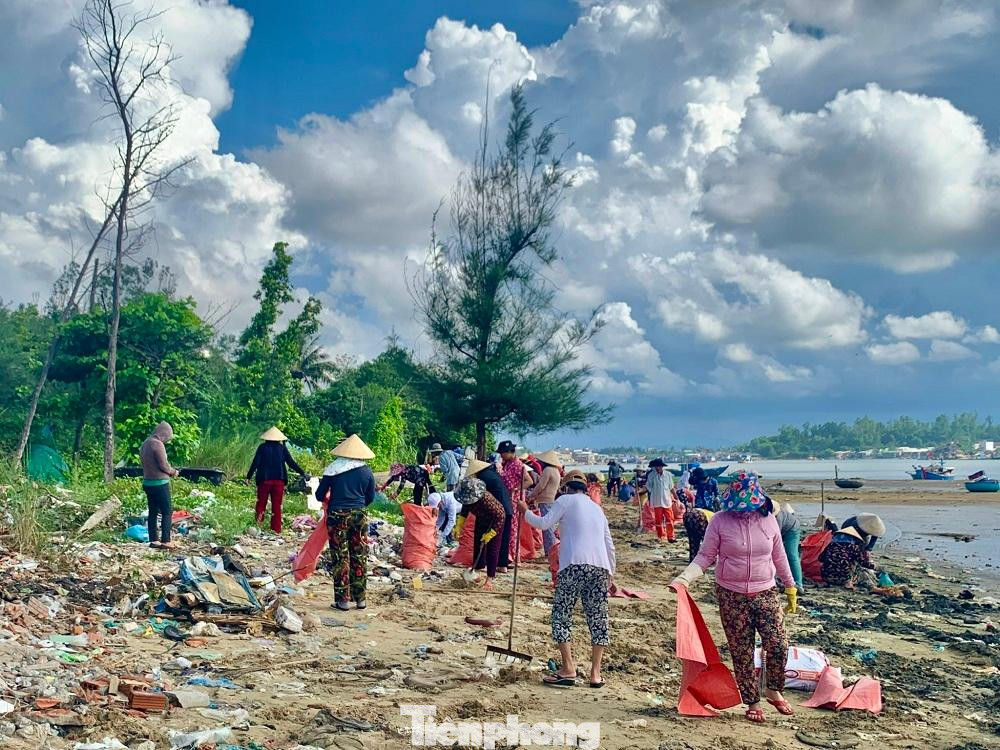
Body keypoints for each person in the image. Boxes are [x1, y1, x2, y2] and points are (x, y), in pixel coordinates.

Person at [671, 472, 798, 723]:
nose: (742, 511)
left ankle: (774, 689)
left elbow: (780, 556)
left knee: (778, 643)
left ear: (758, 501)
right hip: (731, 594)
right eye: (737, 507)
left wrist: (790, 587)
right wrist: (684, 578)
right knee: (742, 649)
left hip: (766, 591)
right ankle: (752, 701)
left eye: (747, 506)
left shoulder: (770, 521)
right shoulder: (719, 521)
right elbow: (705, 555)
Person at [519, 470, 615, 688]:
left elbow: (544, 524)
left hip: (573, 565)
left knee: (562, 615)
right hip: (599, 568)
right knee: (598, 618)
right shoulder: (597, 509)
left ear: (567, 487)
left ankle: (569, 668)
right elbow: (609, 545)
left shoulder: (565, 500)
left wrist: (525, 511)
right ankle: (595, 674)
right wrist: (611, 573)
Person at [315, 434, 376, 611]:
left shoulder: (332, 469)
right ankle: (361, 599)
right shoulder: (366, 471)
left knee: (340, 556)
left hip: (337, 516)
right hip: (359, 515)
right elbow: (370, 497)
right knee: (359, 554)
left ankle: (342, 601)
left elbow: (319, 495)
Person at [247, 426, 307, 534]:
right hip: (279, 480)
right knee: (277, 505)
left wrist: (248, 477)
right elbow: (291, 462)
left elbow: (255, 463)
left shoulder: (262, 447)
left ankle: (258, 526)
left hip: (264, 480)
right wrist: (302, 472)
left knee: (261, 503)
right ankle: (276, 529)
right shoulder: (282, 448)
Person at [453, 474, 506, 590]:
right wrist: (459, 525)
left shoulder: (486, 499)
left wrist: (490, 534)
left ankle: (490, 579)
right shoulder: (467, 498)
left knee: (492, 550)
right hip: (481, 520)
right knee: (478, 545)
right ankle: (476, 571)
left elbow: (501, 516)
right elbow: (465, 510)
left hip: (495, 522)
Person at [140, 421, 180, 549]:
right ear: (163, 434)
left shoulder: (145, 444)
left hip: (148, 482)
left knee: (153, 511)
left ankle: (154, 540)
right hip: (160, 483)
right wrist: (173, 472)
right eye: (167, 438)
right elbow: (163, 465)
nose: (167, 441)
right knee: (167, 511)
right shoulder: (157, 444)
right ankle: (166, 541)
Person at [526, 450, 563, 555]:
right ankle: (551, 551)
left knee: (546, 527)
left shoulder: (547, 470)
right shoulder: (556, 470)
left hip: (545, 500)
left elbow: (541, 486)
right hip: (551, 499)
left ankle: (550, 552)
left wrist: (531, 495)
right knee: (549, 525)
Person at [775, 502, 804, 590]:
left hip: (792, 528)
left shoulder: (777, 518)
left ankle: (798, 584)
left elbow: (775, 537)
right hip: (782, 529)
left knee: (791, 554)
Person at [646, 458, 676, 542]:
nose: (657, 468)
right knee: (658, 520)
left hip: (667, 500)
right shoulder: (651, 475)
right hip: (657, 501)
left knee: (670, 519)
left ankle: (671, 536)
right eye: (656, 467)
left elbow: (671, 487)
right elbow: (648, 487)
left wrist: (676, 497)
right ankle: (661, 536)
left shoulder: (668, 475)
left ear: (662, 466)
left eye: (659, 466)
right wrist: (641, 491)